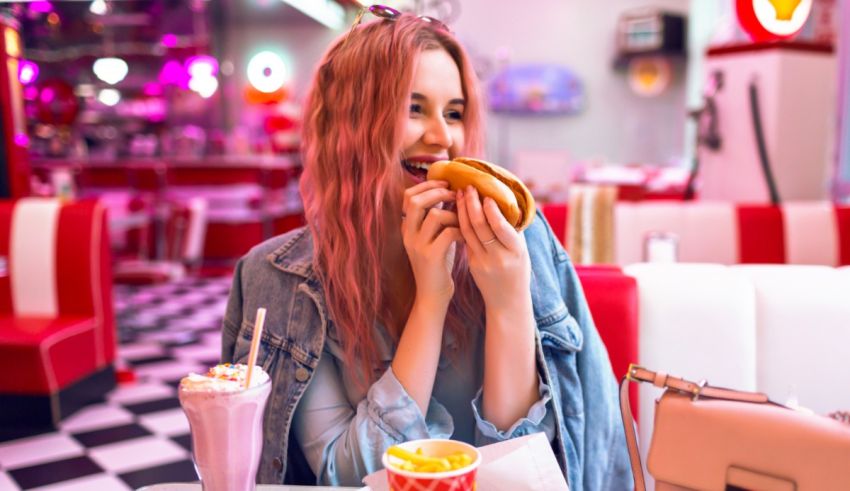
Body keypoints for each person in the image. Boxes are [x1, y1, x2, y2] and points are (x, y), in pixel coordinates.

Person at [222, 6, 632, 490]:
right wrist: (431, 301)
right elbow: (346, 478)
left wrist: (507, 302)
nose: (443, 138)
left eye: (454, 113)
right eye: (413, 108)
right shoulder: (278, 278)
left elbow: (526, 463)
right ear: (349, 125)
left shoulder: (524, 240)